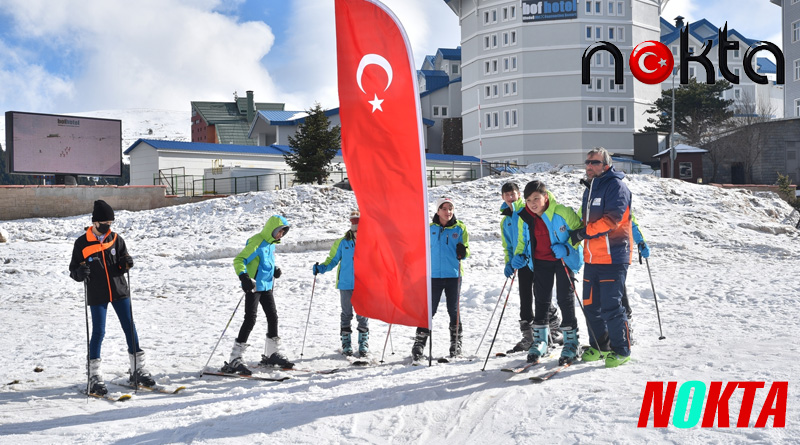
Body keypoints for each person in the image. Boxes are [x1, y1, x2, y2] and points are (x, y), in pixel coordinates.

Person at [69, 200, 155, 395]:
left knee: (129, 327)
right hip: (97, 293)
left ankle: (137, 370)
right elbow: (73, 271)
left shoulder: (116, 239)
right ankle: (94, 376)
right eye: (105, 222)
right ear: (95, 222)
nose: (109, 225)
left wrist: (126, 263)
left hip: (119, 290)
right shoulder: (82, 243)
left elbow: (122, 261)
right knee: (99, 332)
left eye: (111, 222)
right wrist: (79, 274)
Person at [569, 147, 633, 368]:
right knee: (590, 305)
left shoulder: (616, 186)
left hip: (613, 257)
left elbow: (612, 220)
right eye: (587, 162)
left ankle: (622, 350)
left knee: (611, 307)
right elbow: (586, 220)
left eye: (594, 162)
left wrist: (583, 233)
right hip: (592, 258)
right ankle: (600, 346)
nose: (589, 166)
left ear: (606, 165)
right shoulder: (590, 188)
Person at [510, 180, 584, 365]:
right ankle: (541, 341)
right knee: (541, 299)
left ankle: (571, 342)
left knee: (564, 299)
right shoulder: (525, 217)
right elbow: (522, 240)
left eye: (536, 198)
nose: (533, 203)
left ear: (545, 196)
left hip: (562, 261)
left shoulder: (562, 212)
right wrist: (518, 255)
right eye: (528, 200)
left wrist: (567, 248)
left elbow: (580, 231)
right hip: (540, 262)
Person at [222, 215, 294, 375]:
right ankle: (235, 358)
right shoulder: (257, 241)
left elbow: (265, 262)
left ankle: (271, 354)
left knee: (273, 317)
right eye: (279, 231)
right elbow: (239, 260)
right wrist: (244, 277)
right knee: (250, 319)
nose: (281, 235)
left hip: (267, 286)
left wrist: (274, 270)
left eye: (283, 232)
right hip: (253, 286)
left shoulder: (270, 244)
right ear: (272, 230)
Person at [499, 182, 562, 354]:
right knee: (525, 297)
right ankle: (529, 336)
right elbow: (509, 245)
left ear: (519, 195)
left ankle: (554, 328)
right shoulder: (505, 221)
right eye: (507, 195)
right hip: (521, 261)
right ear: (503, 197)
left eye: (513, 194)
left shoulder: (526, 211)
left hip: (536, 258)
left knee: (541, 295)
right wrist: (510, 262)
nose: (510, 197)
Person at [411, 197, 470, 361]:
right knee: (429, 310)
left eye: (450, 208)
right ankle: (419, 344)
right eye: (444, 208)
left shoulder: (460, 228)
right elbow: (419, 247)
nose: (448, 211)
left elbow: (466, 251)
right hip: (433, 275)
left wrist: (463, 252)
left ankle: (456, 344)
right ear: (438, 211)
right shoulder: (429, 229)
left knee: (454, 309)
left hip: (453, 275)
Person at [313, 209, 371, 357]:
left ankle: (363, 343)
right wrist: (321, 268)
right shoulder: (342, 242)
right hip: (345, 284)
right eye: (354, 224)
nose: (357, 229)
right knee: (346, 314)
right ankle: (346, 342)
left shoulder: (369, 241)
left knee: (362, 314)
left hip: (363, 284)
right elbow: (332, 260)